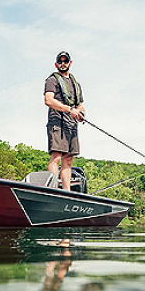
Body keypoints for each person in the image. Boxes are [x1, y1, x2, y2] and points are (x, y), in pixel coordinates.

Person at [44, 51, 85, 190]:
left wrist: (82, 114)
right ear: (56, 64)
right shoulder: (52, 80)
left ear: (70, 63)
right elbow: (48, 100)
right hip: (57, 122)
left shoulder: (76, 84)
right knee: (56, 157)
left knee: (68, 160)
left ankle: (67, 194)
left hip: (71, 124)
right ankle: (53, 190)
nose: (63, 64)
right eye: (60, 62)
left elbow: (79, 105)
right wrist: (69, 110)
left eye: (65, 61)